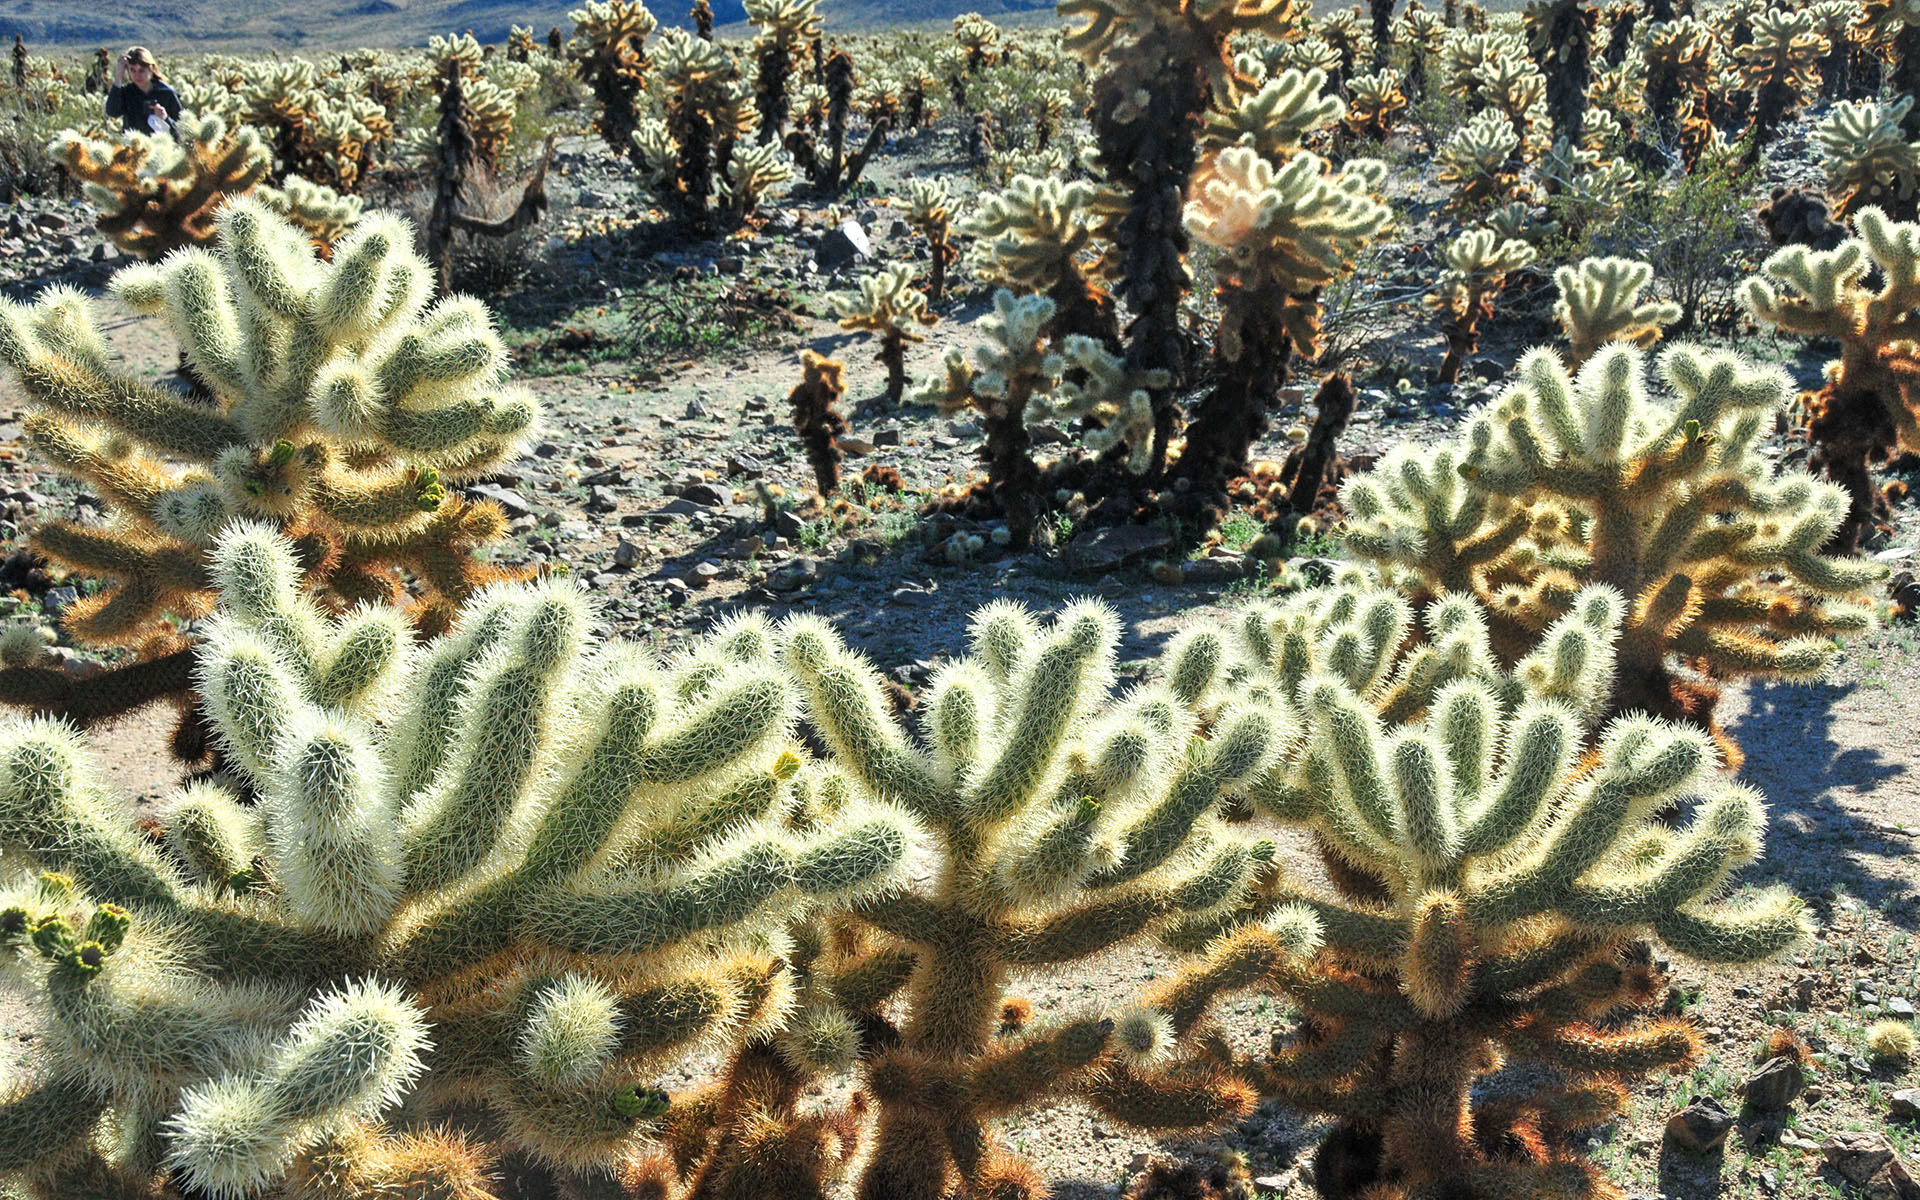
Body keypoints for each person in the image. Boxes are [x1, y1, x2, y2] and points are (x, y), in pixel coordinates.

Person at [104, 47, 180, 134]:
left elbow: (181, 129)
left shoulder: (166, 93)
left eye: (141, 70)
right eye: (132, 70)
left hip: (162, 145)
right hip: (134, 146)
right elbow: (112, 112)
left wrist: (166, 118)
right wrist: (118, 77)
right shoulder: (127, 92)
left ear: (151, 69)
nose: (137, 75)